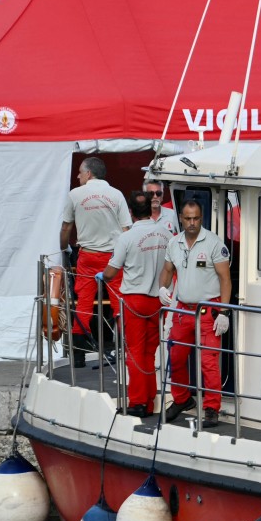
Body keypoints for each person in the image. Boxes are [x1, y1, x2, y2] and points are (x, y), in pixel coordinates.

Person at [159, 200, 232, 428]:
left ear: (202, 218)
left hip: (208, 310)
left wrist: (224, 312)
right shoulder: (174, 243)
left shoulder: (213, 243)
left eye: (196, 218)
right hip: (183, 310)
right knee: (176, 357)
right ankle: (182, 399)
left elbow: (225, 279)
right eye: (188, 218)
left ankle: (211, 408)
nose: (192, 223)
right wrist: (163, 288)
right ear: (181, 218)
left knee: (209, 362)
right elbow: (167, 270)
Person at [101, 191, 170, 416]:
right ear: (151, 209)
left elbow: (111, 272)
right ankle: (149, 400)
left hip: (135, 300)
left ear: (130, 212)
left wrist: (103, 275)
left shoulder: (127, 238)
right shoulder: (165, 234)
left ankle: (139, 402)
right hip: (158, 300)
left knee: (135, 353)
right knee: (149, 353)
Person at [59, 157, 131, 365]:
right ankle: (126, 348)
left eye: (80, 172)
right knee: (119, 302)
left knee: (83, 303)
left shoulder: (75, 195)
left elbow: (66, 228)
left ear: (89, 173)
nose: (78, 176)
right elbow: (126, 229)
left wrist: (64, 247)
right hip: (113, 257)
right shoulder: (116, 194)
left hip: (88, 256)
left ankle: (79, 355)